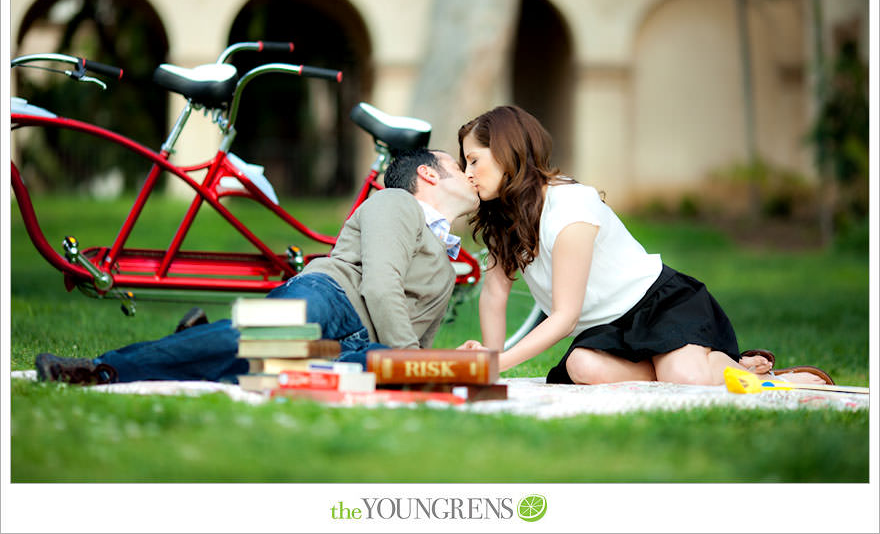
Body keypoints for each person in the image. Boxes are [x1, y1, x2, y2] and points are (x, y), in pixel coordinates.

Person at [456, 105, 832, 387]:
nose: (468, 173)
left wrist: (501, 363)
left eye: (474, 160)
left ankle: (780, 381)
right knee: (581, 367)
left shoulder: (570, 206)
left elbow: (564, 316)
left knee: (684, 378)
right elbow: (494, 294)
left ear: (507, 151)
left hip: (658, 305)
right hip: (607, 328)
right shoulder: (505, 219)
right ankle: (721, 367)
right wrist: (489, 358)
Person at [35, 148, 479, 385]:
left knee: (255, 371)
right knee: (251, 344)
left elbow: (417, 341)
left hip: (364, 347)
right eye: (460, 167)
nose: (469, 175)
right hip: (333, 299)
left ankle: (197, 339)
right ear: (428, 175)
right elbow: (381, 288)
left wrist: (434, 364)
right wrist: (413, 364)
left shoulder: (445, 260)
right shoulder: (396, 202)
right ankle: (103, 368)